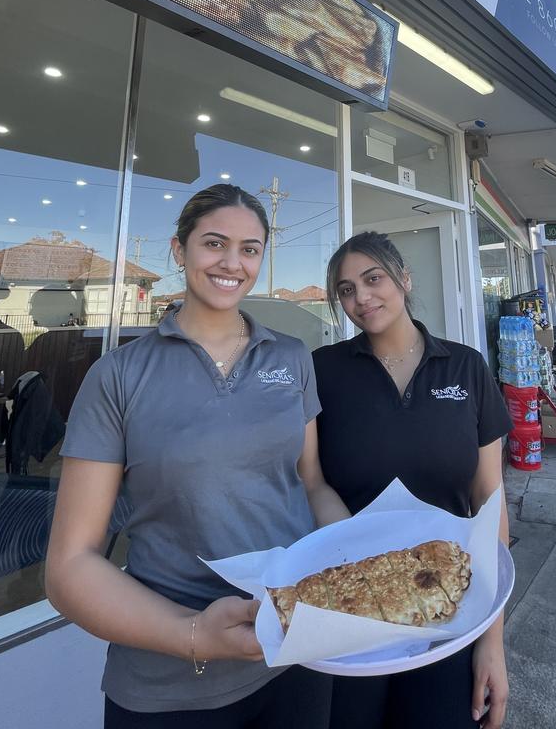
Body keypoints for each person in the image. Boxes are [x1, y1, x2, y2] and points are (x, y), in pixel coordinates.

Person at [46, 184, 349, 728]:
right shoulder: (118, 376)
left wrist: (356, 556)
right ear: (178, 250)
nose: (233, 263)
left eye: (250, 249)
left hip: (295, 655)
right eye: (214, 243)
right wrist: (194, 635)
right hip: (171, 687)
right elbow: (70, 567)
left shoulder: (291, 357)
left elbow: (312, 485)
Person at [314, 231, 513, 729]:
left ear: (404, 279)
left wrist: (491, 640)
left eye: (373, 278)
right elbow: (311, 481)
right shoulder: (323, 370)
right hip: (353, 604)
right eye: (345, 289)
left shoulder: (466, 366)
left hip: (450, 606)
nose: (361, 297)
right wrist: (363, 558)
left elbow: (489, 499)